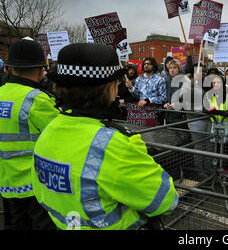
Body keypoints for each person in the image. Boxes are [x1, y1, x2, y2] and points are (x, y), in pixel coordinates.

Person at [30, 43, 178, 230]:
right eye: (115, 84)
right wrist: (134, 148)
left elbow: (40, 190)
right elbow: (166, 200)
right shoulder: (112, 144)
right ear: (109, 88)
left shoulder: (47, 131)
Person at [0, 39, 59, 230]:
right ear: (42, 70)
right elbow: (60, 133)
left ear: (8, 68)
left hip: (5, 182)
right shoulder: (36, 100)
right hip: (35, 185)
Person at [127, 57, 167, 125]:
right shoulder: (139, 79)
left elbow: (163, 98)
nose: (146, 65)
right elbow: (137, 95)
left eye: (149, 64)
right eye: (144, 64)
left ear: (153, 66)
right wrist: (131, 88)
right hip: (140, 114)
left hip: (155, 115)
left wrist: (148, 100)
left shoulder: (160, 80)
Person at [163, 58, 190, 128]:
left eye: (174, 68)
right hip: (169, 116)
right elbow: (165, 96)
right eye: (170, 68)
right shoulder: (167, 81)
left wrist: (176, 105)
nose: (172, 70)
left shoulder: (185, 80)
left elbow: (187, 98)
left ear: (179, 69)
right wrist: (165, 103)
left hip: (181, 116)